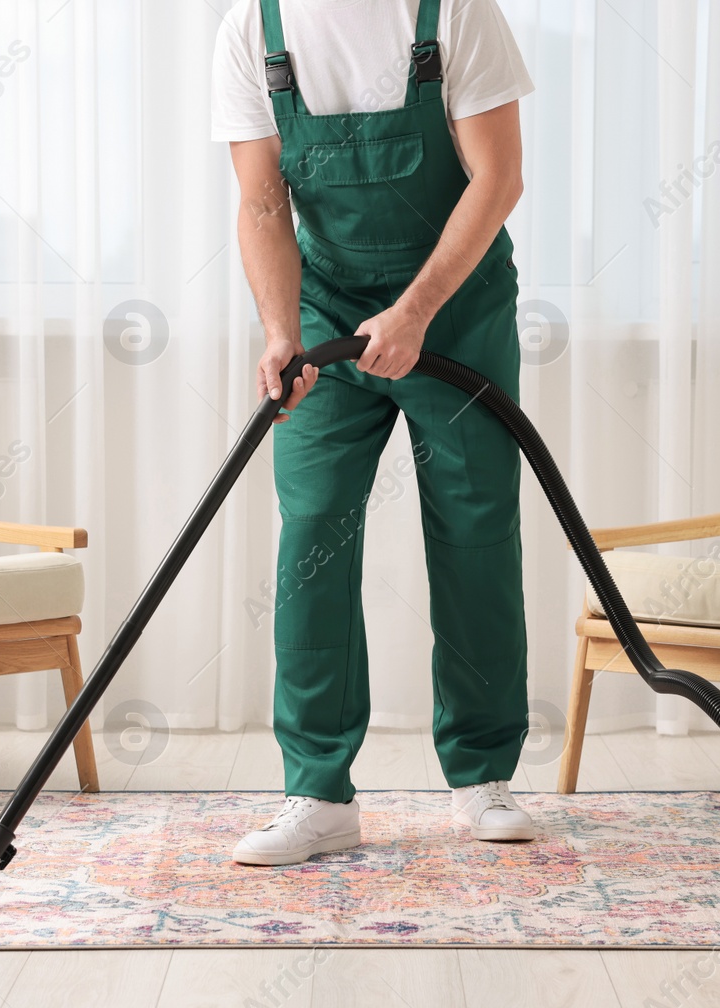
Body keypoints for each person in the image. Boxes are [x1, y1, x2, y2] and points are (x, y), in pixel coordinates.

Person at [213, 0, 535, 864]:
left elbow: (497, 178)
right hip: (325, 311)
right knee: (312, 526)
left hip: (455, 309)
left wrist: (418, 309)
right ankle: (316, 792)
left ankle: (482, 776)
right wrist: (282, 331)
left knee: (475, 528)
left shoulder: (453, 11)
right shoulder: (255, 29)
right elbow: (263, 204)